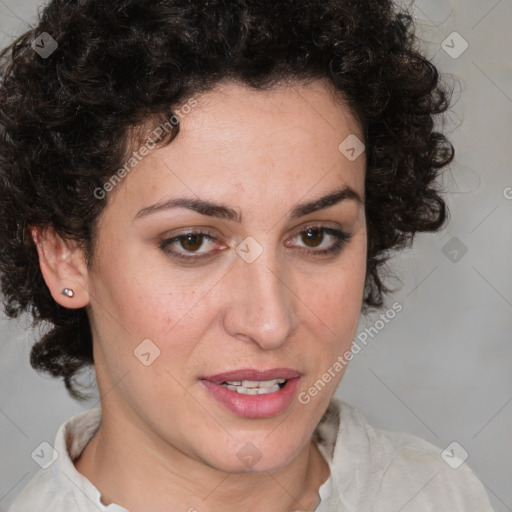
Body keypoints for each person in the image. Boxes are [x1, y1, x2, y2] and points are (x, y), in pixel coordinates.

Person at [0, 0, 495, 511]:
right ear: (65, 256)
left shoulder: (444, 495)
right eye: (191, 241)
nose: (269, 323)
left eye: (315, 236)